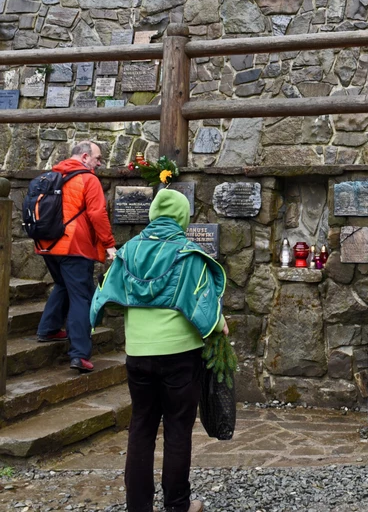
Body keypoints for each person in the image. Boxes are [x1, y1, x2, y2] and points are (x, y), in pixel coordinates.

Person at [91, 189, 227, 512]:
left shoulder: (129, 251)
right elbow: (205, 303)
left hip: (138, 355)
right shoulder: (187, 252)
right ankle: (178, 506)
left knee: (141, 427)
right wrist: (220, 326)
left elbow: (106, 292)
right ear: (182, 217)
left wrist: (93, 319)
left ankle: (138, 507)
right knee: (178, 430)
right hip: (180, 358)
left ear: (152, 214)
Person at [35, 141, 116, 373]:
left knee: (62, 284)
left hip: (47, 246)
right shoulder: (88, 179)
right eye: (97, 158)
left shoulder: (52, 175)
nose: (99, 163)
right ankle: (79, 354)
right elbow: (97, 214)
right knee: (81, 296)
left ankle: (48, 329)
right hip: (73, 246)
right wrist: (109, 244)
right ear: (84, 157)